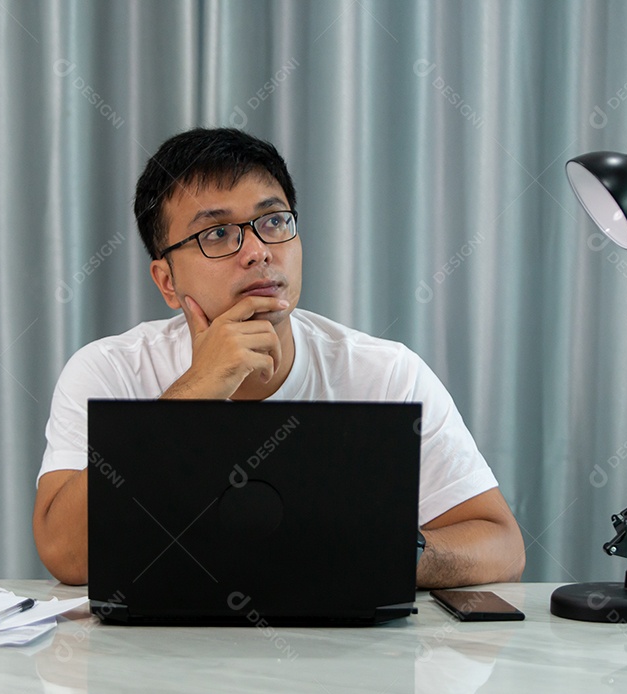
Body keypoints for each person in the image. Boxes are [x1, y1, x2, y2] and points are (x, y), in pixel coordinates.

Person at [33, 128, 525, 587]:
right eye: (218, 234)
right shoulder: (109, 370)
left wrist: (387, 552)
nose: (258, 252)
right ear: (167, 281)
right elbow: (66, 553)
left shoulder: (387, 374)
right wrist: (191, 396)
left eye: (273, 222)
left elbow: (502, 545)